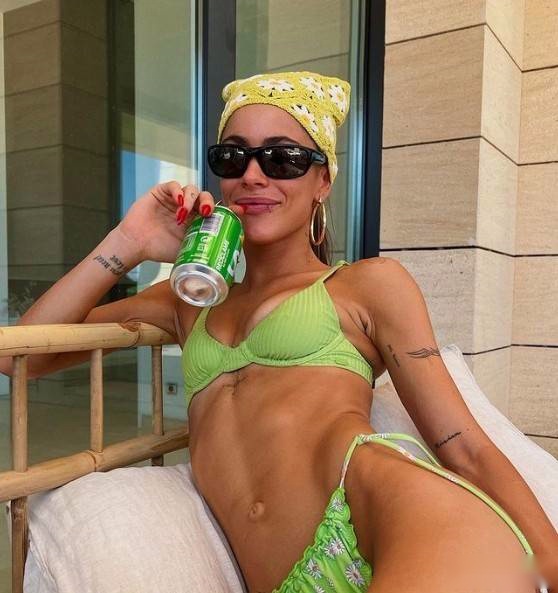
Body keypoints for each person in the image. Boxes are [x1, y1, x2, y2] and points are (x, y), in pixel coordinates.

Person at [1, 71, 556, 593]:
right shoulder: (188, 301)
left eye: (283, 158)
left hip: (401, 521)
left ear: (323, 181)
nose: (252, 174)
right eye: (233, 156)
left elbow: (465, 447)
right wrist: (129, 242)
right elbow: (23, 355)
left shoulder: (366, 286)